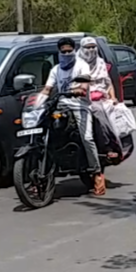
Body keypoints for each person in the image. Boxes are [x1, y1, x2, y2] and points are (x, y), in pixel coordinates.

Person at [39, 37, 105, 196]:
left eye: (70, 51)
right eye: (64, 51)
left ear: (74, 51)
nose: (67, 54)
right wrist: (38, 100)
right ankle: (43, 173)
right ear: (59, 52)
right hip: (61, 104)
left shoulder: (81, 65)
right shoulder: (56, 70)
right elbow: (47, 88)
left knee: (87, 137)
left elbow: (84, 84)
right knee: (45, 134)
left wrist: (80, 89)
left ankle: (97, 173)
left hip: (80, 105)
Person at [78, 36, 124, 163]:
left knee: (99, 111)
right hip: (80, 99)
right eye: (88, 47)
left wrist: (113, 98)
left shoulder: (101, 63)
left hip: (99, 99)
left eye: (93, 47)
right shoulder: (76, 65)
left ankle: (109, 145)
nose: (91, 50)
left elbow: (108, 84)